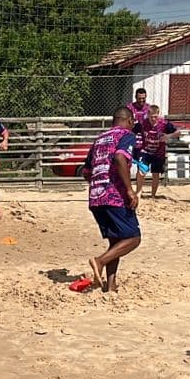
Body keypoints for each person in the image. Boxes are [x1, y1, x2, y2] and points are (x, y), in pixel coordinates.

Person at [82, 106, 142, 292]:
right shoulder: (127, 135)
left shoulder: (99, 138)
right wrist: (130, 190)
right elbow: (119, 157)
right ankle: (99, 261)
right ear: (130, 121)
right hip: (114, 196)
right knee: (133, 238)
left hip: (95, 197)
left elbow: (86, 171)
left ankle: (111, 285)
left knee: (116, 241)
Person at [135, 104, 179, 198]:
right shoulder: (142, 123)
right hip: (145, 150)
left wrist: (168, 136)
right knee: (141, 171)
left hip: (159, 152)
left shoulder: (164, 124)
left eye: (155, 117)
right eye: (151, 117)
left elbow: (178, 132)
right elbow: (132, 130)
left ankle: (153, 195)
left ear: (158, 115)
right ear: (148, 114)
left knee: (156, 173)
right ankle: (138, 192)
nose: (153, 119)